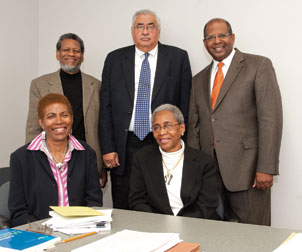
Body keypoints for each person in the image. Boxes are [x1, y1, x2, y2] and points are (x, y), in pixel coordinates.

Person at [187, 18, 282, 225]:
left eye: (222, 35)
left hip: (248, 172)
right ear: (204, 43)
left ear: (232, 37)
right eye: (210, 37)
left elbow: (270, 119)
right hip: (209, 175)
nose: (216, 41)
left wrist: (266, 167)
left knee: (253, 236)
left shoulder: (258, 65)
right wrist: (194, 171)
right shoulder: (198, 79)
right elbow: (194, 127)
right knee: (216, 236)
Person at [100, 9, 192, 209]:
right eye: (140, 26)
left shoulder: (178, 58)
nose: (145, 31)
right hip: (125, 146)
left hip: (163, 141)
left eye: (150, 26)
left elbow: (185, 105)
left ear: (158, 31)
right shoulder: (114, 59)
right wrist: (108, 147)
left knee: (161, 202)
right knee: (124, 203)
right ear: (132, 31)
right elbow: (105, 107)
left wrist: (181, 145)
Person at [9, 94, 103, 227]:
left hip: (80, 230)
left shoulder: (87, 153)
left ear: (71, 119)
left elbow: (94, 201)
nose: (59, 121)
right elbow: (18, 211)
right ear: (41, 122)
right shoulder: (21, 158)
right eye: (51, 116)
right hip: (40, 235)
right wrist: (45, 231)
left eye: (64, 115)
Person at [25, 33, 106, 187]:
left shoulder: (96, 85)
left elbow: (102, 127)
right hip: (51, 156)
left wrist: (101, 164)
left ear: (82, 56)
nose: (71, 54)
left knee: (87, 205)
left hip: (86, 157)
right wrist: (32, 161)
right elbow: (32, 128)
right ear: (58, 54)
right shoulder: (39, 84)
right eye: (66, 50)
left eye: (76, 51)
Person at [129, 104, 220, 220]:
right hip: (156, 226)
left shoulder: (204, 162)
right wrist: (160, 224)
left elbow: (207, 205)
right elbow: (137, 201)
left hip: (194, 225)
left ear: (182, 128)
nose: (162, 132)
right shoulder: (142, 158)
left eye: (168, 126)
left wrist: (179, 224)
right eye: (156, 127)